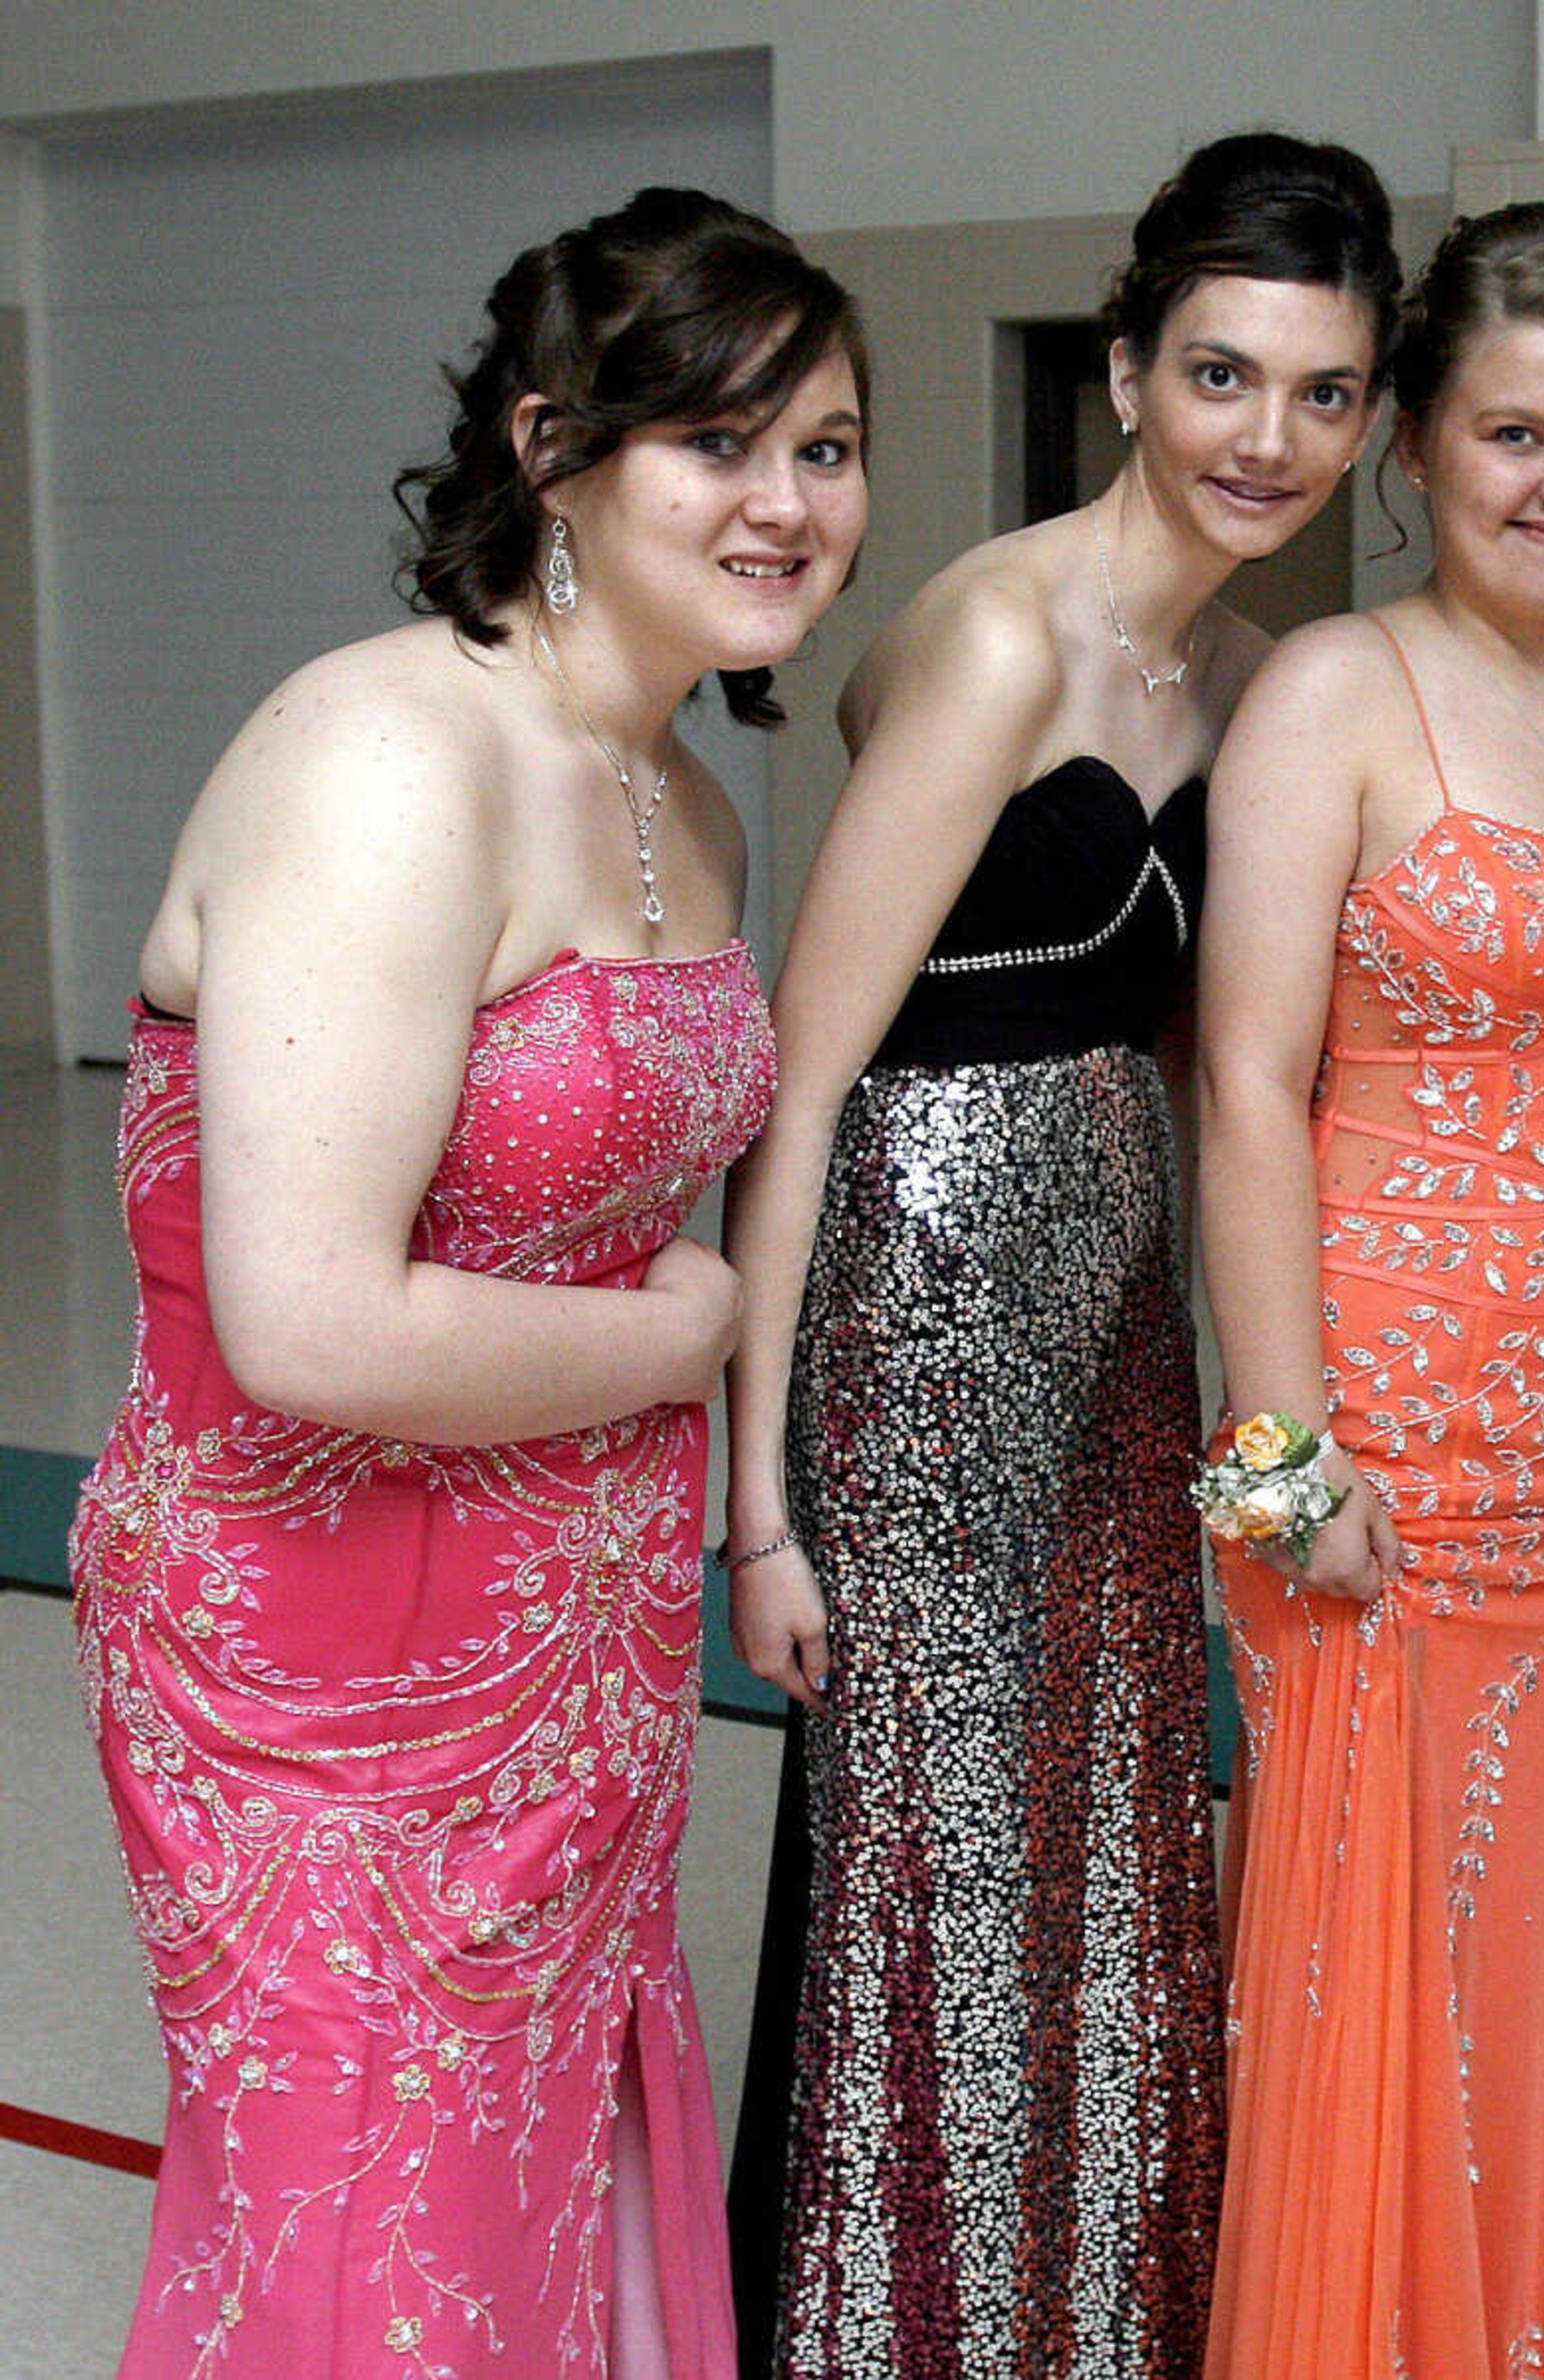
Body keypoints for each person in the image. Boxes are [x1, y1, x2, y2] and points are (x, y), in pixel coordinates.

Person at [64, 189, 868, 2378]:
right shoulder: (386, 756)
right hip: (319, 1674)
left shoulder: (680, 805)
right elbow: (304, 1320)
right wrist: (698, 1333)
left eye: (826, 446)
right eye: (721, 442)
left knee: (525, 2198)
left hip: (582, 1649)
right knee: (366, 2235)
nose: (790, 505)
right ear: (551, 448)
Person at [712, 133, 1398, 2378]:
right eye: (1219, 373)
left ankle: (1088, 2315)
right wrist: (766, 1515)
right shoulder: (1003, 637)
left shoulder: (1248, 668)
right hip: (920, 1312)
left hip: (1114, 1340)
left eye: (1320, 392)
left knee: (1104, 1835)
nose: (1264, 439)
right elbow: (801, 1085)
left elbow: (1237, 1092)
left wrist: (1258, 1415)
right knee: (940, 1871)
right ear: (1125, 370)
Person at [1193, 201, 1544, 2378]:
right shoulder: (1339, 690)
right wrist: (1283, 1449)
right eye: (1516, 433)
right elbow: (1248, 1088)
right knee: (1401, 1994)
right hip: (1396, 1465)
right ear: (1420, 446)